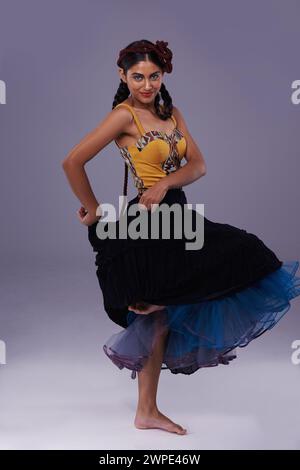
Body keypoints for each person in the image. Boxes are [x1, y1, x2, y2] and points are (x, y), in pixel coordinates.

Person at [62, 39, 300, 435]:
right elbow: (72, 161)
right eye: (137, 76)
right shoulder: (123, 116)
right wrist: (93, 210)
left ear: (164, 75)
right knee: (154, 313)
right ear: (123, 76)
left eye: (154, 76)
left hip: (179, 216)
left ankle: (146, 411)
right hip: (148, 225)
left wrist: (164, 185)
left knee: (243, 256)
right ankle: (147, 410)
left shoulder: (171, 113)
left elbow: (199, 166)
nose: (146, 85)